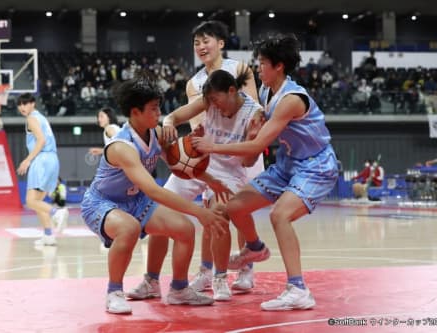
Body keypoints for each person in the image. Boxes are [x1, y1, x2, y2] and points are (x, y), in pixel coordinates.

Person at [192, 34, 339, 311]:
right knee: (230, 207)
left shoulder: (291, 99)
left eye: (262, 64)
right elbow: (258, 122)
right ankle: (255, 248)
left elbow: (259, 145)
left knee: (279, 215)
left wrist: (213, 146)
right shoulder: (266, 92)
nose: (258, 69)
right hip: (287, 163)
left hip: (315, 166)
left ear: (279, 66)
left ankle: (298, 289)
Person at [80, 76, 229, 314]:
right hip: (102, 203)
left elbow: (181, 163)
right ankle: (114, 292)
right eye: (153, 108)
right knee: (128, 228)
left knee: (185, 229)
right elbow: (153, 190)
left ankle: (178, 289)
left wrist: (212, 181)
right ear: (135, 112)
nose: (159, 112)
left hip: (135, 201)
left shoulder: (157, 134)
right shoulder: (122, 147)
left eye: (159, 106)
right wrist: (199, 211)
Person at [141, 20, 263, 295]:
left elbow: (254, 113)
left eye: (206, 41)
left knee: (240, 213)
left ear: (221, 43)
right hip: (208, 153)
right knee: (205, 211)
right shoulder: (194, 83)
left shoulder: (239, 69)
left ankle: (245, 269)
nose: (201, 47)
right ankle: (203, 273)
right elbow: (198, 116)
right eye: (196, 43)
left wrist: (247, 142)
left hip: (240, 151)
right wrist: (195, 148)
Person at [16, 93, 69, 246]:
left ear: (33, 104)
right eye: (20, 105)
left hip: (42, 159)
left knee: (30, 201)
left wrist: (27, 160)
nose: (22, 107)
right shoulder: (42, 118)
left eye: (25, 104)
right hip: (52, 159)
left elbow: (41, 140)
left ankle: (57, 213)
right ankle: (48, 235)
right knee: (38, 201)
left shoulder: (31, 119)